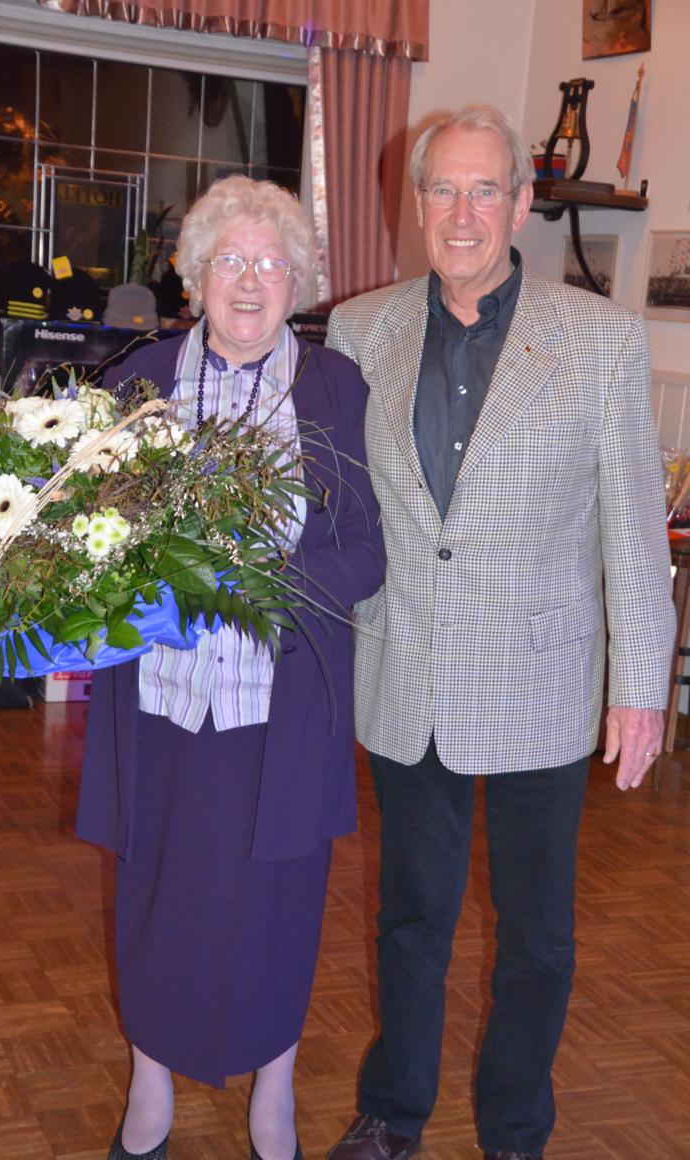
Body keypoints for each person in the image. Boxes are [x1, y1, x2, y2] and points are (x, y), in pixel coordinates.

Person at [325, 104, 675, 1160]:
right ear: (416, 202)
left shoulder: (603, 341)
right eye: (444, 189)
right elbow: (334, 508)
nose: (464, 212)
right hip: (407, 669)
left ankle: (516, 1127)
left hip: (541, 679)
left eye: (487, 190)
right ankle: (394, 1110)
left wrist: (642, 686)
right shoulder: (358, 329)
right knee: (409, 920)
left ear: (522, 203)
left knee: (537, 935)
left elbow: (631, 522)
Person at [77, 176, 385, 1160]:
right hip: (164, 702)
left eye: (270, 262)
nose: (249, 281)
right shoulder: (143, 379)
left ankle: (274, 1094)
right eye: (230, 260)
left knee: (281, 901)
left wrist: (272, 576)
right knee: (154, 892)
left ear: (296, 279)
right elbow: (88, 539)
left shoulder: (335, 389)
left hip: (279, 706)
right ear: (196, 273)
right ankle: (151, 1087)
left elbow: (369, 550)